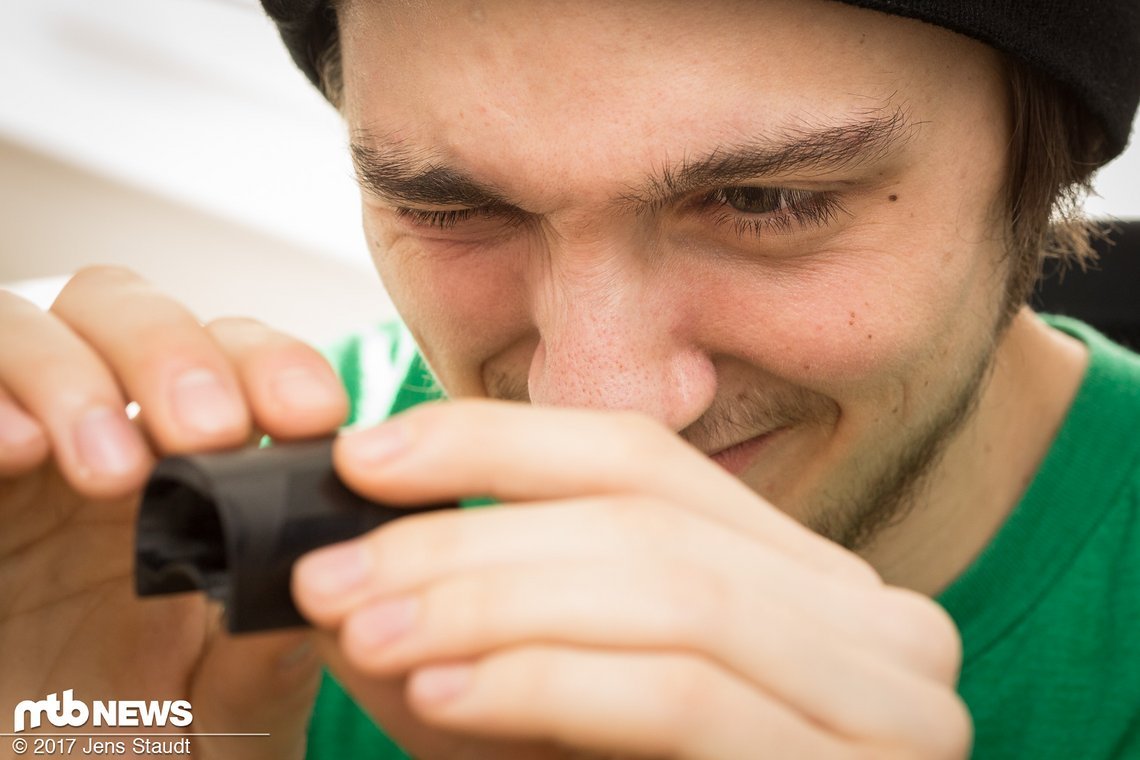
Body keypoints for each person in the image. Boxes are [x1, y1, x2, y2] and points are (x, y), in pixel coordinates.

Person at [1, 0, 1137, 758]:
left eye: (767, 201)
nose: (600, 405)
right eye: (451, 208)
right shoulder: (181, 564)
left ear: (1037, 175)